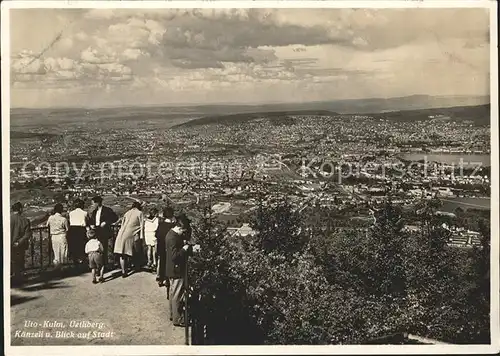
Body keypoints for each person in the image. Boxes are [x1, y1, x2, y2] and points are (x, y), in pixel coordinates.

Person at [164, 213, 191, 327]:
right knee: (177, 295)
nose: (183, 234)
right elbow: (175, 256)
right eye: (182, 231)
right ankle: (178, 319)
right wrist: (184, 249)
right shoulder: (173, 238)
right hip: (176, 270)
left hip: (171, 269)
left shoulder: (171, 234)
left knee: (172, 294)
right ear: (179, 228)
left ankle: (173, 315)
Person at [113, 201, 144, 277]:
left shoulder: (127, 213)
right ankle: (136, 266)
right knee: (133, 250)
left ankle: (124, 271)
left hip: (121, 234)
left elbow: (123, 224)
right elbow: (142, 225)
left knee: (122, 253)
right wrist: (142, 236)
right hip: (130, 234)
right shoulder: (140, 213)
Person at [89, 196, 118, 271]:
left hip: (104, 232)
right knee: (97, 249)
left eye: (93, 203)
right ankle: (98, 266)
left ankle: (104, 266)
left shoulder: (107, 210)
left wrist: (106, 222)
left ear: (97, 202)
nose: (92, 205)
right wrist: (92, 224)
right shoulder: (94, 212)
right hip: (96, 231)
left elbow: (115, 218)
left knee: (103, 249)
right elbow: (92, 220)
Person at [11, 202, 32, 284]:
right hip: (20, 245)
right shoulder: (25, 220)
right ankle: (19, 278)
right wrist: (19, 242)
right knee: (20, 261)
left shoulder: (7, 219)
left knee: (11, 261)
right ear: (20, 209)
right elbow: (27, 234)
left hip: (9, 245)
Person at [155, 207, 176, 287]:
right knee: (169, 263)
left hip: (161, 246)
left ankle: (160, 279)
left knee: (162, 262)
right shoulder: (173, 226)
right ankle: (167, 280)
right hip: (169, 247)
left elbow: (156, 235)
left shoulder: (161, 225)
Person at [68, 199, 89, 265]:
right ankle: (82, 261)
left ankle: (75, 261)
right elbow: (87, 221)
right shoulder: (85, 213)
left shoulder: (71, 213)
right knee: (82, 246)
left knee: (74, 246)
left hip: (72, 230)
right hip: (81, 230)